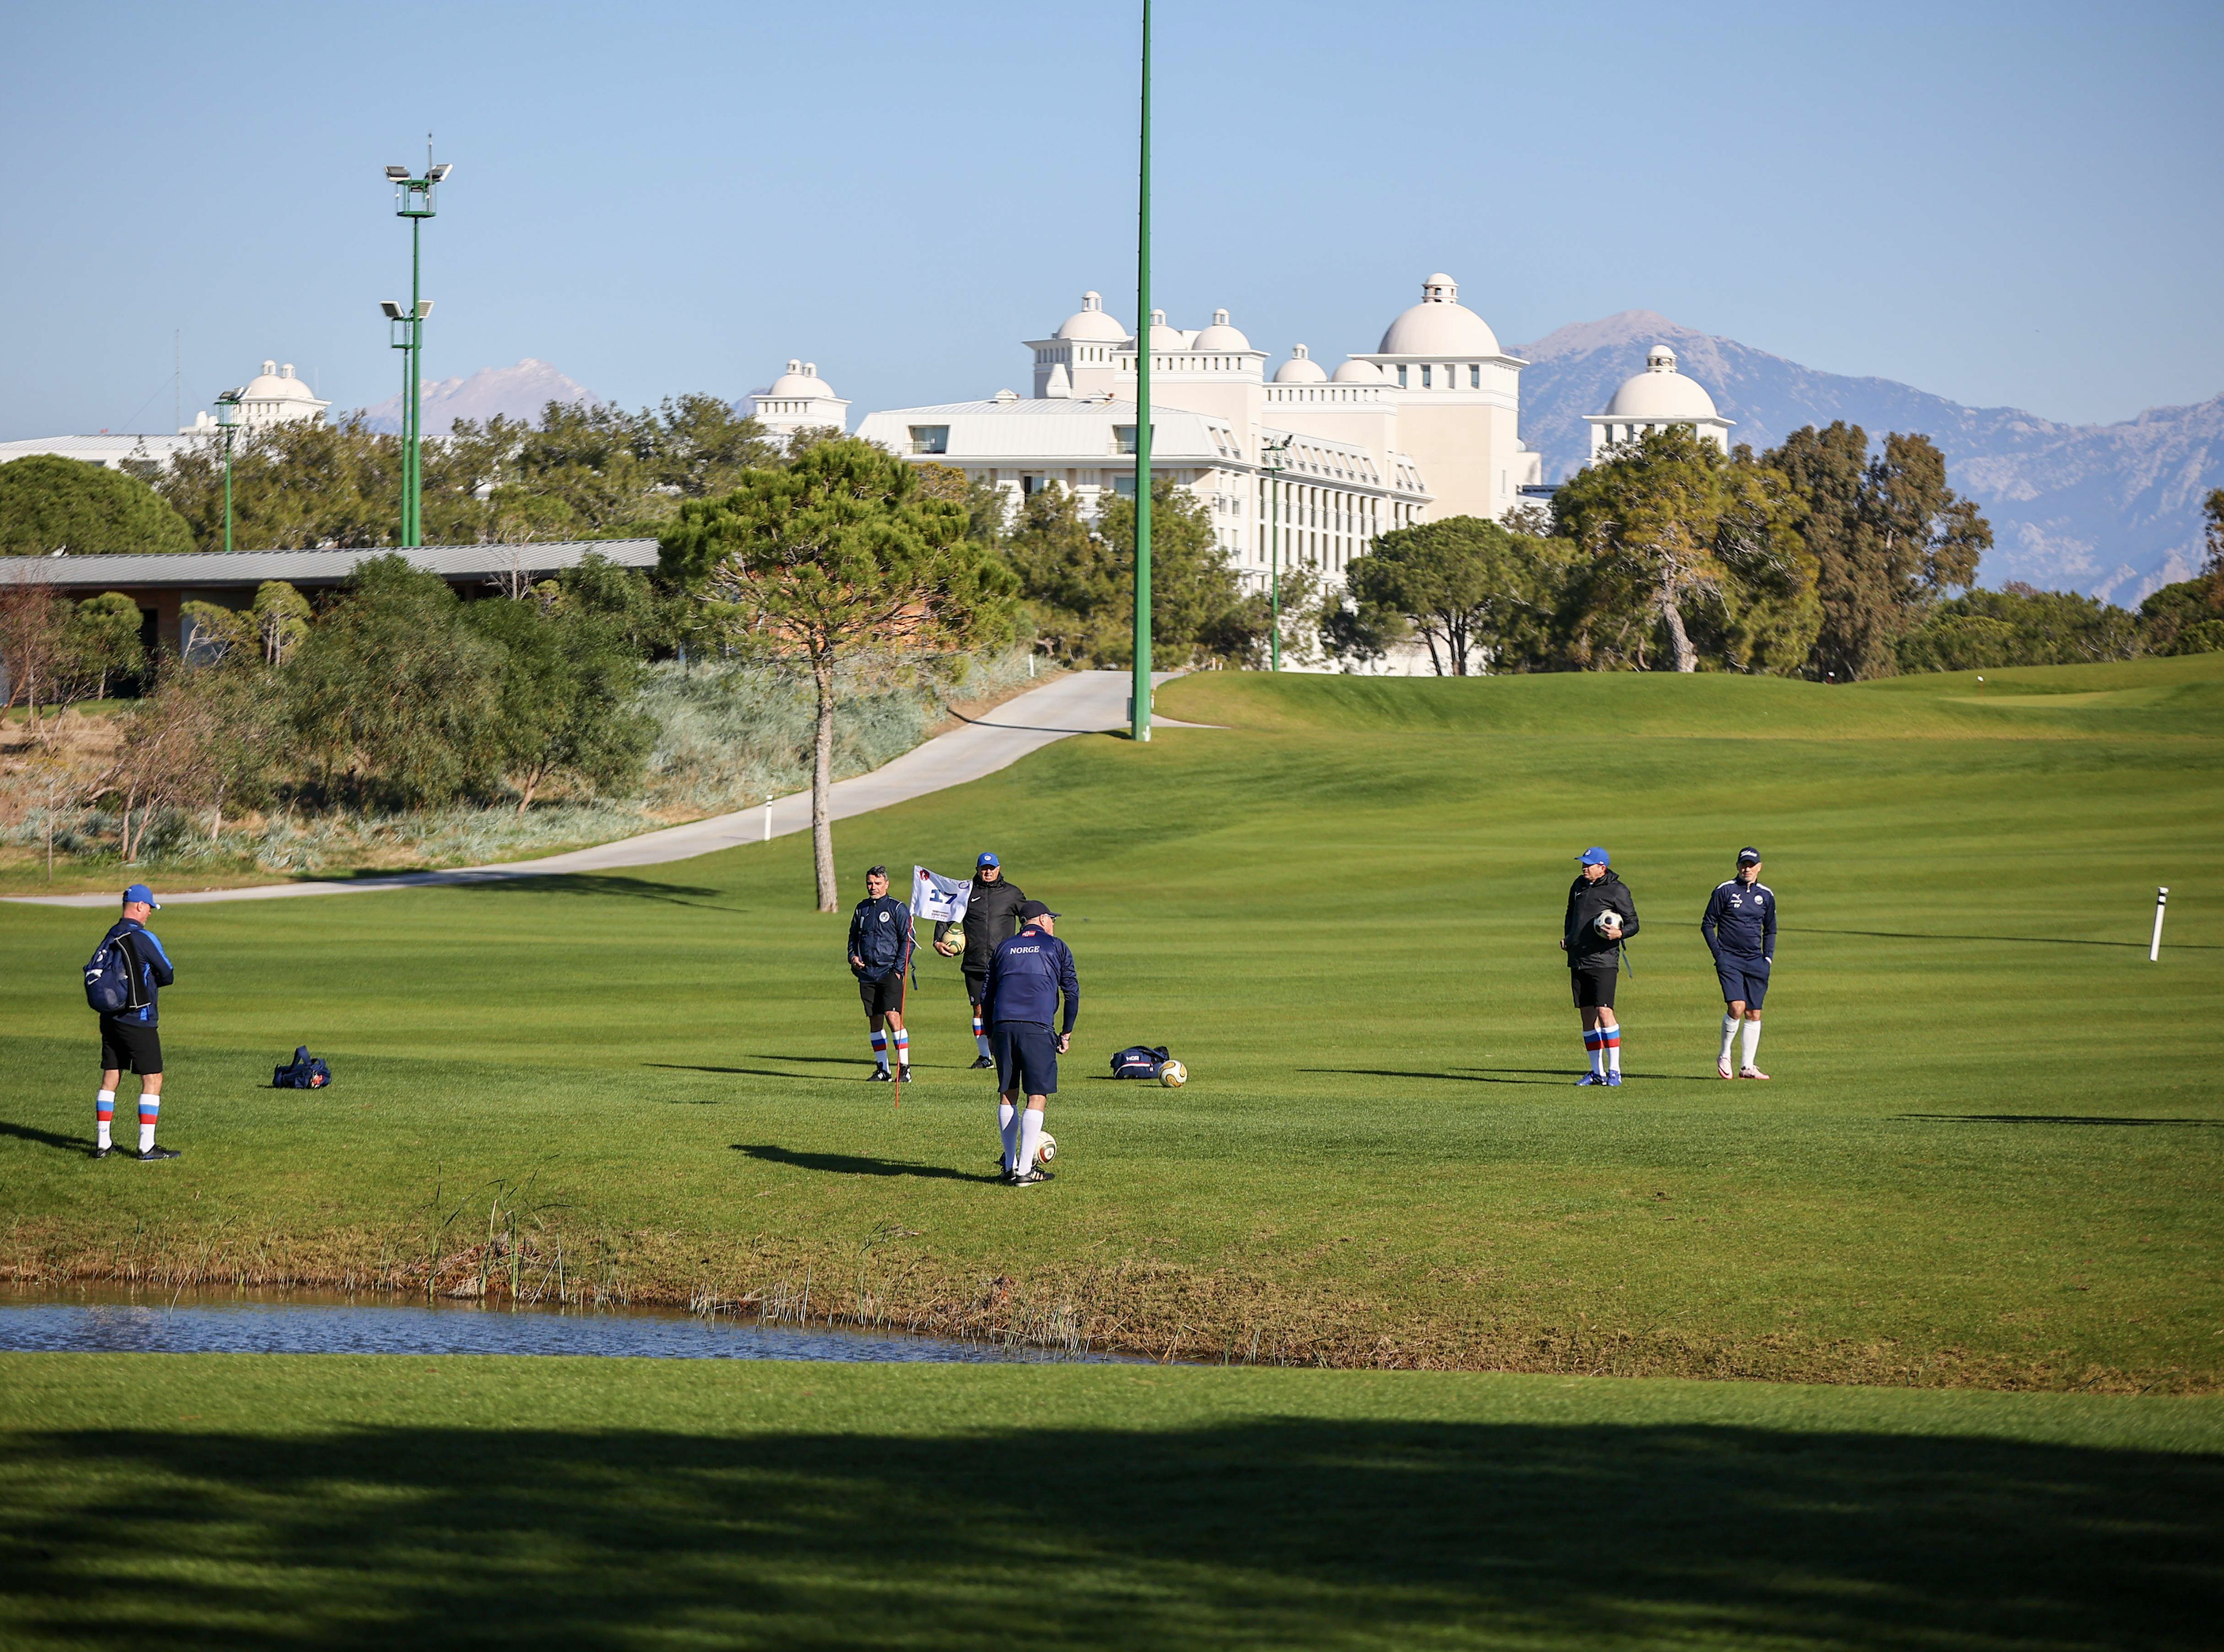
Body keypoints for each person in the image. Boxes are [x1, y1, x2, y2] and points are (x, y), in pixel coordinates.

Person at [984, 899, 1079, 1185]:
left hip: (1002, 1025)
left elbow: (986, 995)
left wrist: (990, 1032)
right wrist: (1067, 1032)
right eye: (1052, 918)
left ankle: (1009, 1165)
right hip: (1037, 1026)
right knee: (1036, 1095)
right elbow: (1071, 993)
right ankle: (1025, 1170)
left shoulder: (1004, 947)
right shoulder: (1056, 946)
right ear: (1040, 919)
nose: (1054, 923)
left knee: (1008, 1092)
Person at [93, 883, 177, 1160]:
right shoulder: (143, 937)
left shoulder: (111, 934)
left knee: (111, 1075)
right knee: (153, 1079)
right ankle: (146, 1146)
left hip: (110, 1017)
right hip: (138, 1018)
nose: (150, 913)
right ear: (140, 906)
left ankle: (103, 1143)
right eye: (149, 908)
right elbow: (168, 973)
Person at [933, 851, 1027, 1070]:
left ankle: (1009, 1053)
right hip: (974, 962)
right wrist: (938, 940)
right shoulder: (965, 893)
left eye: (991, 868)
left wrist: (1027, 942)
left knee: (1006, 1008)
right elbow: (947, 915)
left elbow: (1028, 916)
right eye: (984, 868)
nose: (988, 872)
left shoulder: (1012, 893)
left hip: (1004, 963)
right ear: (977, 869)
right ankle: (985, 1057)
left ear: (999, 868)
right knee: (978, 1009)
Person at [1562, 847, 1639, 1087]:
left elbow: (1634, 923)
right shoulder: (1578, 885)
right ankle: (1597, 1072)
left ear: (1602, 867)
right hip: (1579, 959)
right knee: (1587, 1015)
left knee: (1605, 1012)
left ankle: (1615, 1070)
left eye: (1588, 864)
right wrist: (1569, 936)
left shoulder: (1617, 890)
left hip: (1604, 960)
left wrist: (1620, 932)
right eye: (1583, 864)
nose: (1584, 868)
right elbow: (1570, 914)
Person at [1701, 847, 1777, 1079]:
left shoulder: (1765, 895)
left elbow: (1770, 929)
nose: (1747, 869)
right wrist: (1719, 954)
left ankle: (1748, 1067)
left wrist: (1768, 957)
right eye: (1743, 865)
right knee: (1737, 1007)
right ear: (1737, 867)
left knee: (1754, 1012)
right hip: (1730, 959)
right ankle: (1724, 1054)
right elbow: (1707, 924)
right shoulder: (1724, 891)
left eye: (1751, 865)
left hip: (1756, 960)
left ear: (1759, 867)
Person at [847, 866, 914, 1083]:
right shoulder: (861, 909)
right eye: (869, 883)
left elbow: (908, 940)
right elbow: (853, 937)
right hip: (867, 973)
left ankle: (904, 1069)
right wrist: (853, 957)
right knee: (874, 1021)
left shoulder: (897, 908)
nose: (873, 887)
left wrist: (897, 970)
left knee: (893, 1018)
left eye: (877, 883)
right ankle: (883, 1069)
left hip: (889, 972)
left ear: (886, 884)